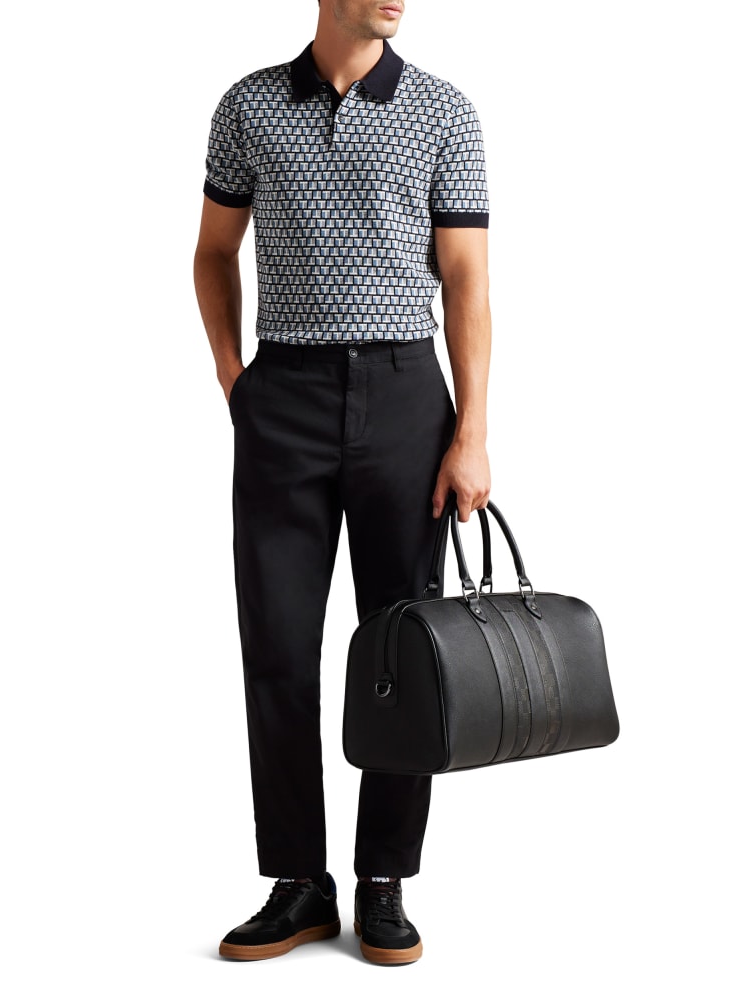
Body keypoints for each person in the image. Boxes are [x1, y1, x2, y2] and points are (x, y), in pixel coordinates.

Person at [193, 0, 491, 966]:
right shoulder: (248, 106)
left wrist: (472, 431)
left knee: (406, 649)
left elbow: (467, 280)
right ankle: (298, 882)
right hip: (282, 397)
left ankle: (384, 880)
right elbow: (212, 252)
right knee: (278, 649)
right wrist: (238, 385)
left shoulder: (444, 111)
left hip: (407, 398)